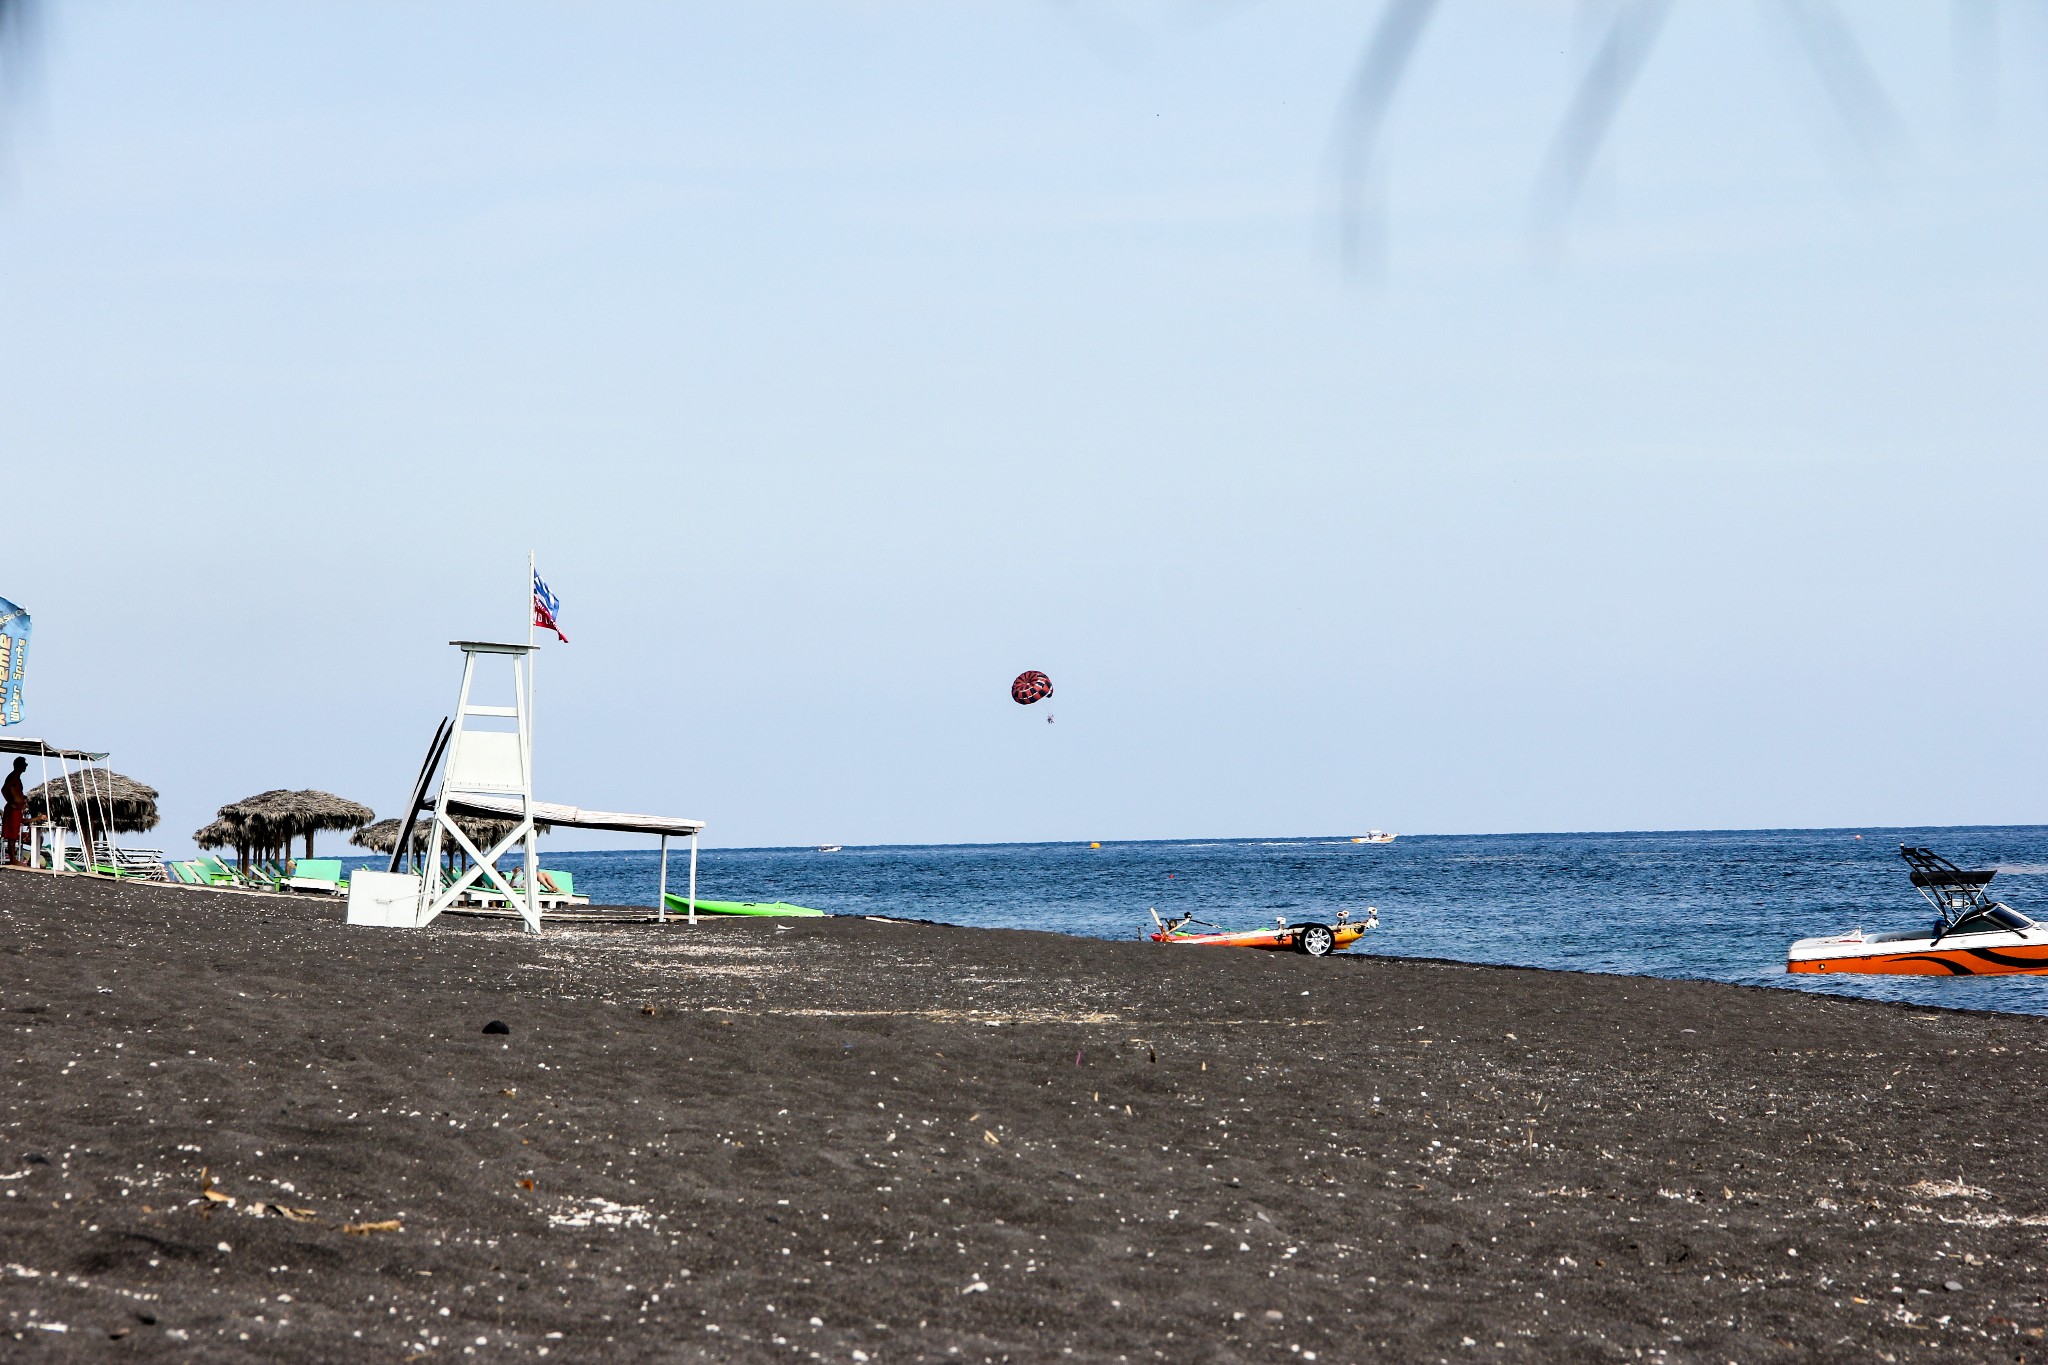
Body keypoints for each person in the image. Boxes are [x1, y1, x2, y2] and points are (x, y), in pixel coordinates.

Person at [2, 757, 25, 866]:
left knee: (14, 834)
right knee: (12, 835)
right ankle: (13, 859)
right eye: (24, 763)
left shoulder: (17, 778)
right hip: (13, 809)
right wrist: (11, 802)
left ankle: (13, 858)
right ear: (20, 765)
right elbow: (4, 789)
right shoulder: (13, 776)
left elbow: (15, 791)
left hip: (17, 808)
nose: (26, 765)